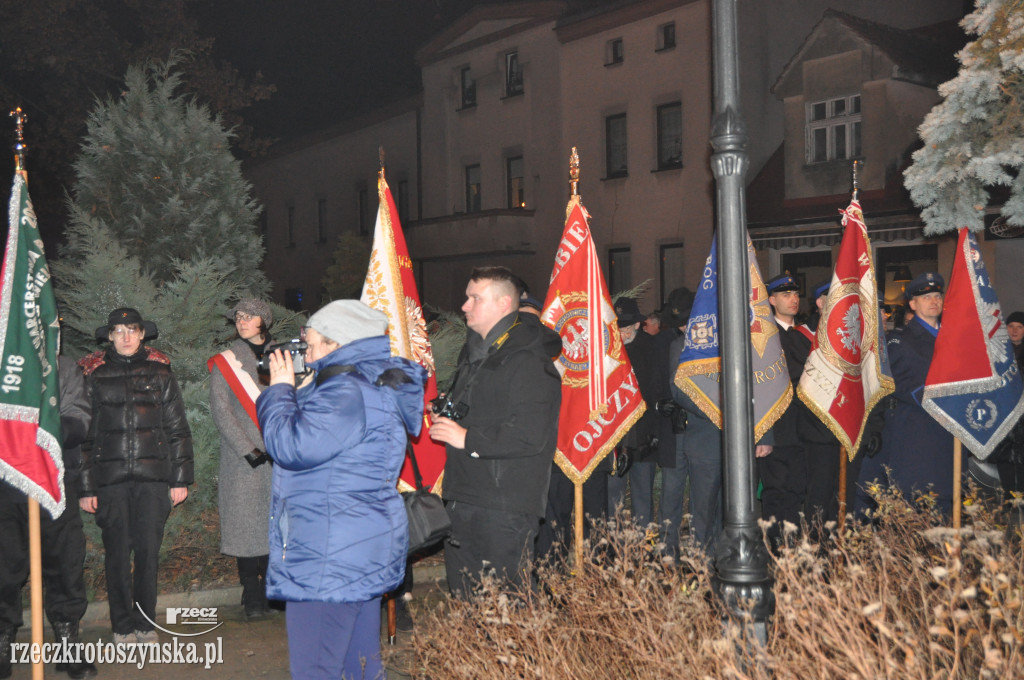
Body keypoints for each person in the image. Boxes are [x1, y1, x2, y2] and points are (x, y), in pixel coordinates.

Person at [257, 300, 425, 680]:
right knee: (360, 664)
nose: (306, 353)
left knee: (317, 669)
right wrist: (300, 392)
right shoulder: (365, 384)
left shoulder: (346, 393)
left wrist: (279, 392)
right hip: (354, 547)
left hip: (328, 555)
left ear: (337, 343)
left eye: (312, 343)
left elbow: (291, 446)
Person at [432, 266, 561, 597]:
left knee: (508, 604)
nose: (465, 305)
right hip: (464, 494)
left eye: (475, 298)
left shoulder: (529, 360)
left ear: (504, 303)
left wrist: (467, 439)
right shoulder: (475, 353)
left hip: (504, 504)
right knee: (467, 600)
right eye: (466, 297)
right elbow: (478, 409)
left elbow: (531, 435)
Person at [78, 308, 193, 645]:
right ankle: (122, 627)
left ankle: (144, 624)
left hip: (153, 480)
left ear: (143, 334)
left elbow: (178, 430)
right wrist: (86, 486)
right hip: (109, 482)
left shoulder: (161, 373)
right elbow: (84, 436)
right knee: (116, 556)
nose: (126, 336)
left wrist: (180, 479)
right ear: (110, 336)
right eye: (119, 330)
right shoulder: (94, 377)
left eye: (132, 329)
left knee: (147, 554)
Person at [0, 357, 96, 680]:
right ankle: (2, 643)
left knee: (65, 563)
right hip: (6, 485)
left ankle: (68, 644)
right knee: (3, 568)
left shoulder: (64, 368)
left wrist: (40, 429)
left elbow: (80, 420)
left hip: (54, 483)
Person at [856, 273, 956, 516]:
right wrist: (942, 400)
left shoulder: (953, 338)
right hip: (917, 433)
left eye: (937, 296)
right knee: (917, 503)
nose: (933, 301)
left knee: (947, 502)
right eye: (925, 297)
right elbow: (898, 382)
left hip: (950, 434)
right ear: (912, 304)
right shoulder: (900, 339)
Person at [759, 274, 840, 542]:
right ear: (771, 300)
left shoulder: (807, 335)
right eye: (785, 295)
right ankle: (775, 552)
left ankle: (793, 552)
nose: (793, 299)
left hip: (806, 431)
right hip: (778, 427)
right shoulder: (763, 338)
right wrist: (763, 434)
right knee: (776, 493)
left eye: (795, 294)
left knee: (797, 492)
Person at [209, 298, 273, 620]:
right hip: (243, 459)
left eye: (249, 316)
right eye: (238, 316)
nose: (242, 321)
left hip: (283, 456)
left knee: (277, 525)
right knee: (246, 529)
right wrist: (249, 449)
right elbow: (221, 411)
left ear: (264, 320)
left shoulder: (284, 355)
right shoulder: (227, 361)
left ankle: (275, 589)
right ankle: (252, 594)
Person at [607, 297, 674, 528]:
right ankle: (613, 548)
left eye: (625, 328)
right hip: (613, 435)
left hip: (644, 436)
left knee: (642, 496)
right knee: (612, 495)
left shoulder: (652, 348)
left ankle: (641, 549)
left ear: (637, 325)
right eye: (617, 328)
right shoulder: (609, 350)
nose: (621, 334)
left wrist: (656, 432)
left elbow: (658, 392)